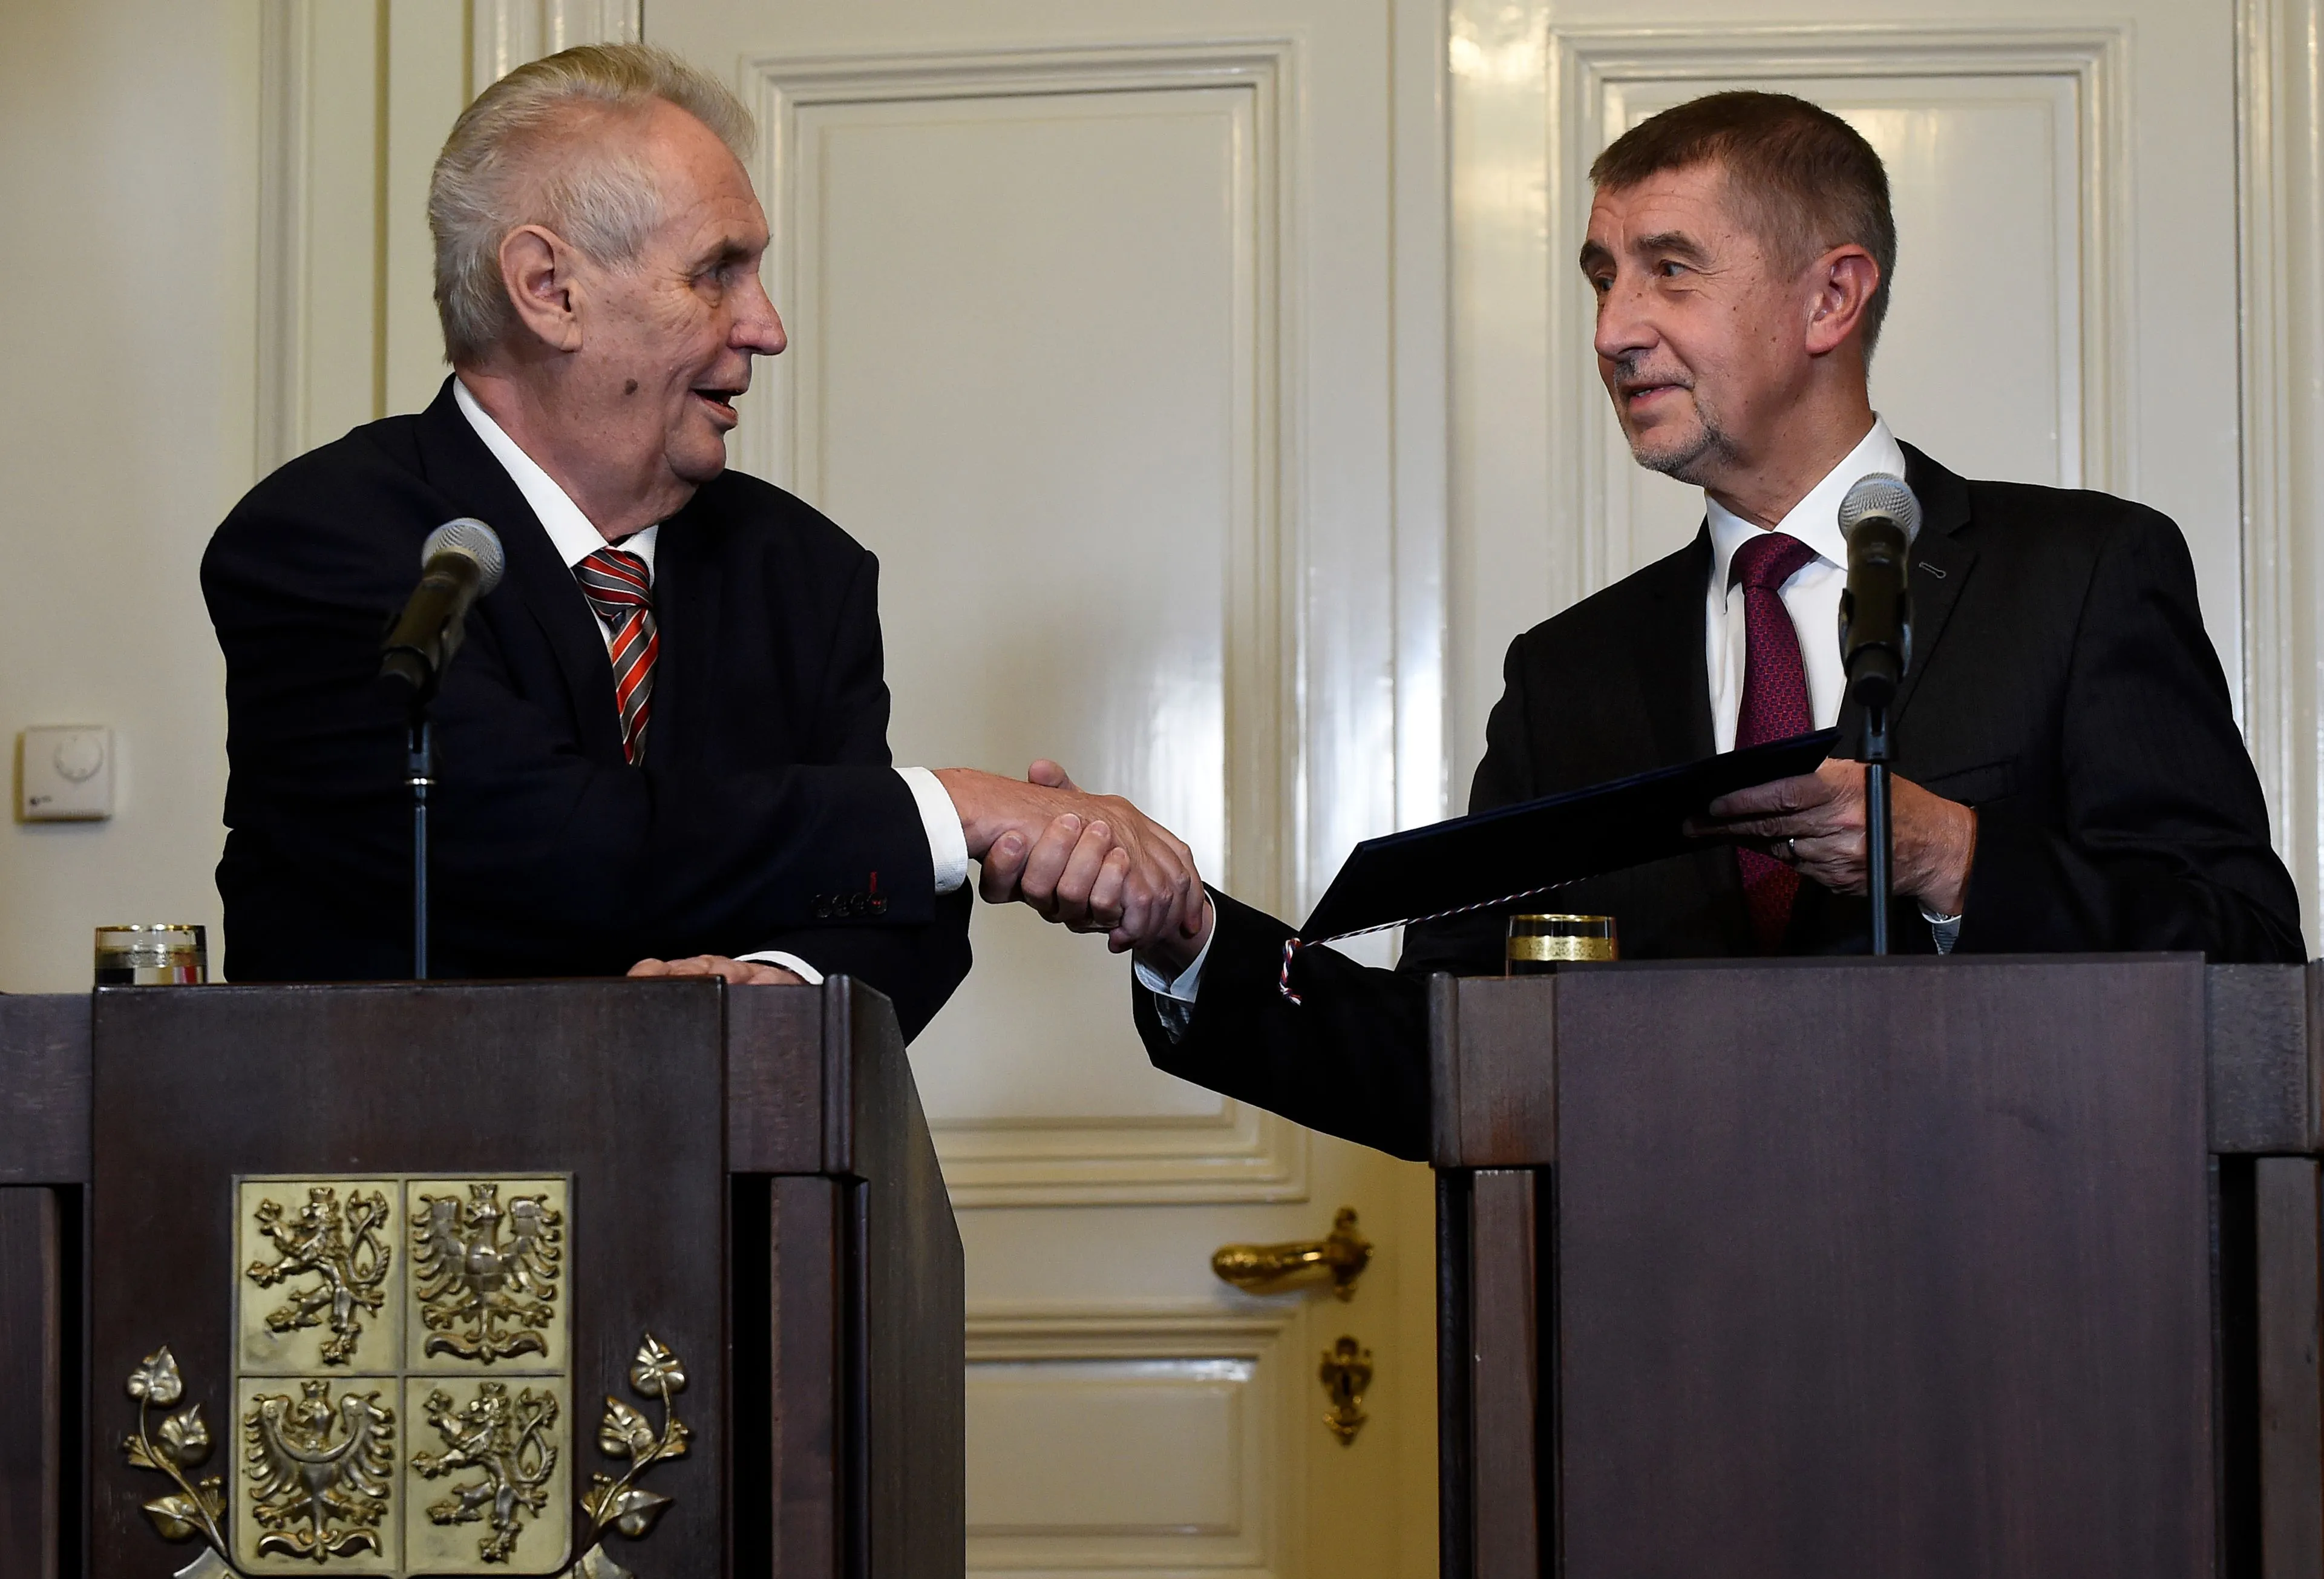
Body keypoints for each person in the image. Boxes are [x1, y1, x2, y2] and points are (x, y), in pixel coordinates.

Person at [989, 89, 2305, 1150]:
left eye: (1671, 272)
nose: (1617, 328)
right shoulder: (1571, 675)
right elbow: (1438, 1058)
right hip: (1663, 1370)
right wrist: (1189, 936)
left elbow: (2246, 960)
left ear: (1831, 298)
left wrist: (1954, 859)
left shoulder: (2078, 573)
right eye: (1602, 277)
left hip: (2033, 1348)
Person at [201, 43, 1200, 1038]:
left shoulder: (804, 573)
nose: (764, 327)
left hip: (730, 1187)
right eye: (717, 272)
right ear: (548, 287)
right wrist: (963, 807)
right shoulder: (326, 542)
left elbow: (903, 904)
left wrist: (781, 988)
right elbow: (542, 842)